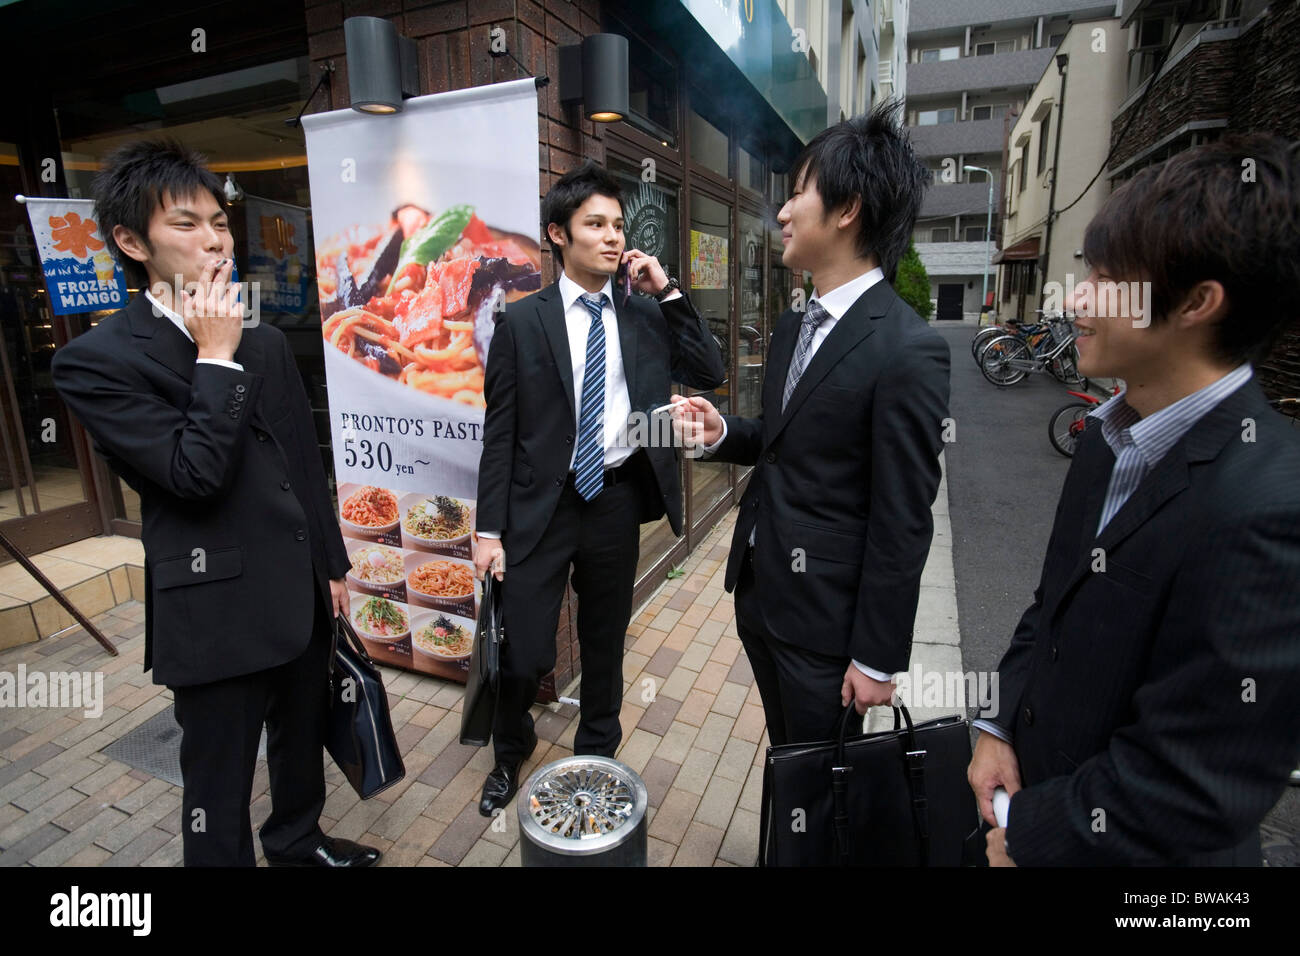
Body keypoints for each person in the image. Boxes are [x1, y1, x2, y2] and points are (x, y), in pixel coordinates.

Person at [968, 133, 1300, 866]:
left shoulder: (1271, 507)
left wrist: (1031, 834)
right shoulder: (1103, 436)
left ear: (1198, 303)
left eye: (1108, 278)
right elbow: (1051, 602)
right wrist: (996, 725)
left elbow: (1195, 786)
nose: (1076, 299)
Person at [51, 140, 379, 868]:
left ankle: (298, 843)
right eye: (186, 225)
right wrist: (213, 356)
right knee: (218, 779)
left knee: (302, 740)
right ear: (131, 242)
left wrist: (332, 566)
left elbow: (300, 459)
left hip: (297, 588)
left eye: (219, 223)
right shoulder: (96, 361)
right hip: (212, 605)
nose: (213, 240)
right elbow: (190, 474)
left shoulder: (257, 335)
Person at [671, 101, 950, 749]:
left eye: (798, 193)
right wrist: (722, 432)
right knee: (786, 758)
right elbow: (780, 437)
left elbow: (903, 516)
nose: (783, 211)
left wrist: (878, 657)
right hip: (760, 596)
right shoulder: (796, 323)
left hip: (827, 630)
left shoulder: (907, 348)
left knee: (826, 787)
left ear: (848, 208)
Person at [473, 161, 724, 816]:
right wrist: (488, 531)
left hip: (614, 497)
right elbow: (500, 433)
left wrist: (667, 289)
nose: (613, 237)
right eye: (595, 224)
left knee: (605, 643)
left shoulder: (643, 316)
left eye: (617, 225)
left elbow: (711, 370)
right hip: (541, 505)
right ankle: (510, 746)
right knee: (521, 650)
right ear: (559, 234)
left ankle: (596, 758)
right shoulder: (521, 323)